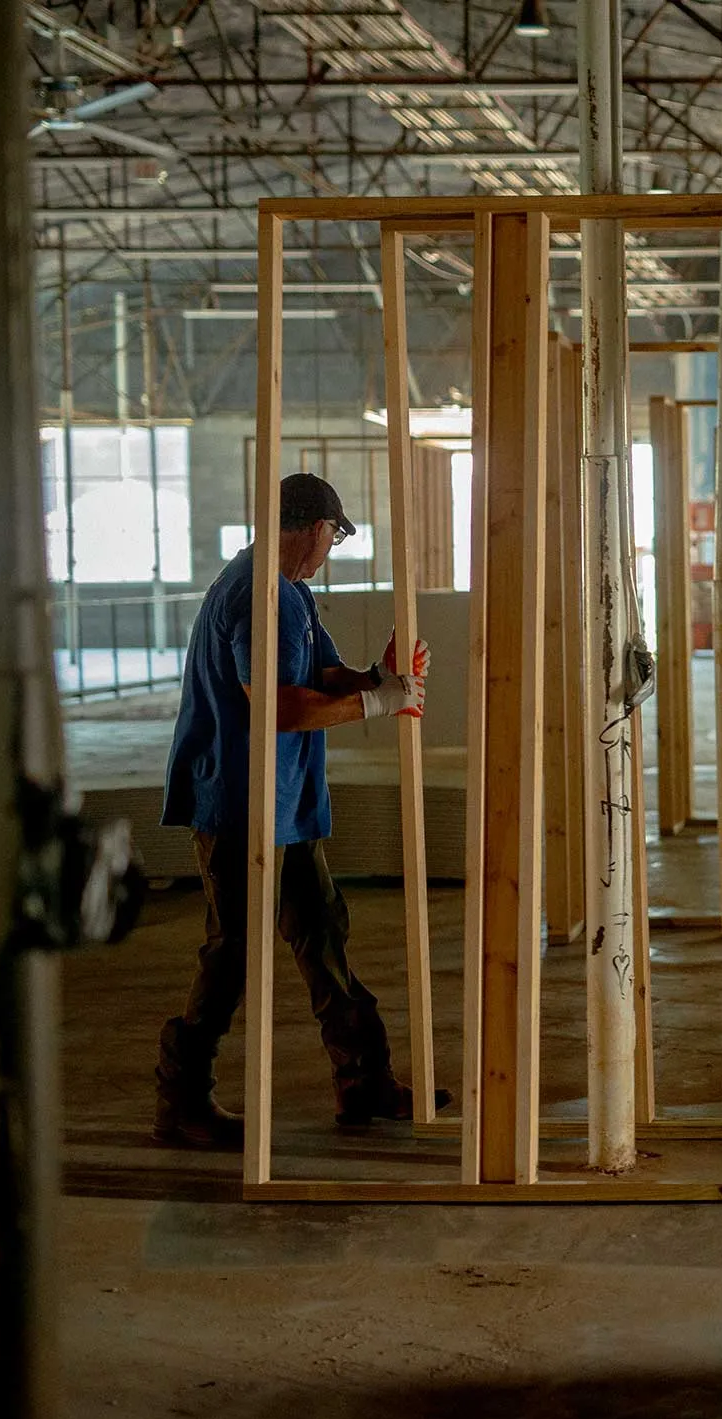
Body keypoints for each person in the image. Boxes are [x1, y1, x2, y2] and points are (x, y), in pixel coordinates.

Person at [153, 472, 442, 1147]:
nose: (330, 551)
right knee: (232, 952)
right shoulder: (258, 595)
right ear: (316, 529)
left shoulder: (289, 593)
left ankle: (364, 1080)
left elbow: (320, 676)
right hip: (238, 804)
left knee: (323, 934)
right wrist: (381, 701)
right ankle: (181, 1099)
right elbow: (280, 706)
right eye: (334, 537)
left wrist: (378, 679)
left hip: (282, 803)